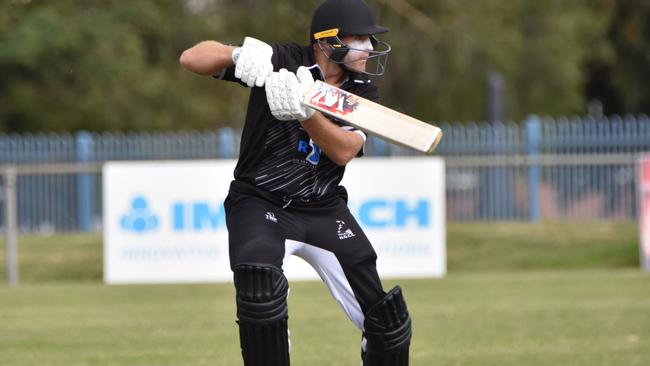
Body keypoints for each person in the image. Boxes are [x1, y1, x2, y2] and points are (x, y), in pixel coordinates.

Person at [180, 1, 411, 365]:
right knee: (261, 293)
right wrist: (236, 53)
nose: (369, 48)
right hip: (260, 202)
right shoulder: (282, 60)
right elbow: (191, 59)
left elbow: (344, 151)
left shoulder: (361, 92)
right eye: (360, 39)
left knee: (389, 323)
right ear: (329, 41)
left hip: (322, 208)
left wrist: (307, 114)